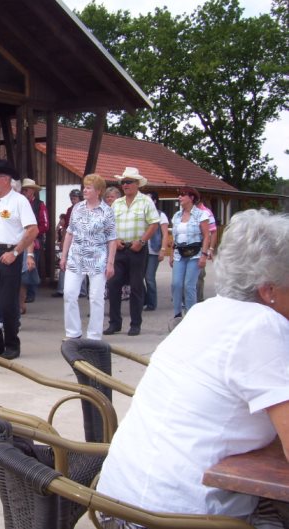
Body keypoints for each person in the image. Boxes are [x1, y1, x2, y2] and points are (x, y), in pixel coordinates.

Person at [97, 209, 289, 528]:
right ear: (268, 291)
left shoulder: (204, 311)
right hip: (175, 517)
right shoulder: (264, 326)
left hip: (117, 507)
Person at [0, 160, 38, 360]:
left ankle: (12, 344)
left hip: (9, 254)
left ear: (5, 179)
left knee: (7, 303)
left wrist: (16, 252)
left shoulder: (19, 201)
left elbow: (33, 229)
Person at [60, 174, 116, 340]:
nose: (84, 190)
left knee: (96, 298)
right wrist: (63, 256)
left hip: (97, 260)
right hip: (76, 258)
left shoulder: (107, 211)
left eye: (89, 188)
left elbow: (112, 239)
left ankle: (94, 336)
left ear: (98, 191)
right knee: (69, 294)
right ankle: (73, 333)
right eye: (84, 187)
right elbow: (69, 232)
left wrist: (110, 263)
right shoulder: (77, 208)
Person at [103, 167, 159, 337]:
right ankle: (114, 323)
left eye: (128, 182)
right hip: (120, 248)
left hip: (137, 249)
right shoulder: (117, 203)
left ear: (137, 184)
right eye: (123, 182)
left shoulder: (146, 201)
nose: (125, 185)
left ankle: (135, 324)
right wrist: (115, 240)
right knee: (113, 285)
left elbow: (154, 223)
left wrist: (142, 241)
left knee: (136, 286)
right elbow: (109, 225)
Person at [169, 186, 210, 323]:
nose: (179, 197)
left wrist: (204, 255)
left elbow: (207, 236)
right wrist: (171, 254)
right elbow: (174, 237)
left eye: (183, 195)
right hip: (179, 253)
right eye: (179, 195)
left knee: (189, 285)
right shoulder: (176, 216)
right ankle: (177, 315)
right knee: (176, 284)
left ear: (191, 198)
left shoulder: (201, 215)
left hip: (195, 253)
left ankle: (191, 316)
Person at [20, 178, 49, 303]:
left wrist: (33, 233)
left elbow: (45, 225)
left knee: (30, 267)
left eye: (26, 190)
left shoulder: (40, 205)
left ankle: (30, 294)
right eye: (23, 190)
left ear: (32, 191)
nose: (24, 192)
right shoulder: (20, 203)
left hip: (34, 241)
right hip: (20, 240)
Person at [53, 188, 84, 298]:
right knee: (64, 262)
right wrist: (63, 241)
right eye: (71, 198)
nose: (72, 200)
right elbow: (66, 227)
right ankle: (61, 289)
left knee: (81, 265)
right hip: (70, 239)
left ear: (80, 198)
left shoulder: (86, 208)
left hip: (82, 240)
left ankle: (82, 290)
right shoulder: (70, 209)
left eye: (74, 198)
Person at [143, 191, 169, 311]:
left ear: (154, 201)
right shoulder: (141, 214)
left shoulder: (161, 215)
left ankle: (151, 303)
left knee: (149, 277)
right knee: (138, 277)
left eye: (149, 199)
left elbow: (165, 234)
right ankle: (143, 300)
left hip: (154, 250)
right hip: (142, 249)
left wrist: (163, 250)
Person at [195, 197, 218, 302]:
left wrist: (211, 249)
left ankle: (199, 299)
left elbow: (213, 231)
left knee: (199, 274)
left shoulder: (207, 212)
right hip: (187, 248)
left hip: (201, 247)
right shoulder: (186, 211)